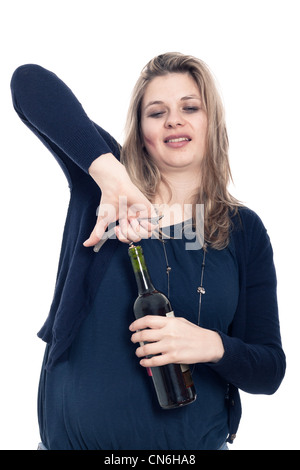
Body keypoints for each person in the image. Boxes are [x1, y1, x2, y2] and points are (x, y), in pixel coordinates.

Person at [10, 52, 285, 451]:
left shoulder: (244, 231)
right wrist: (110, 175)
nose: (174, 120)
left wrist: (210, 344)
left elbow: (269, 371)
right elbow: (28, 83)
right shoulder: (100, 189)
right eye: (157, 113)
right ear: (141, 131)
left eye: (190, 107)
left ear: (212, 123)